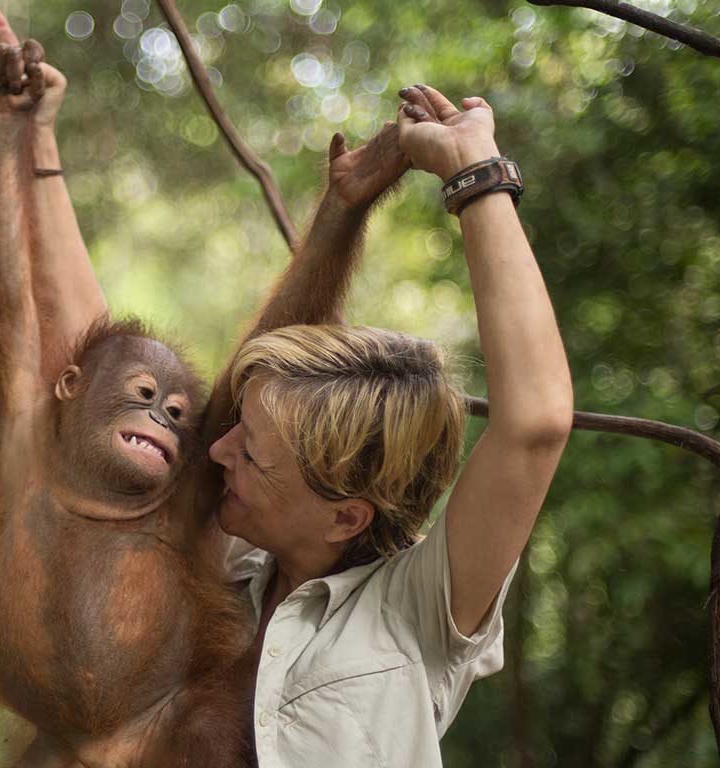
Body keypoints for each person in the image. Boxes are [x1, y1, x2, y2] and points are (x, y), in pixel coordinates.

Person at [206, 85, 573, 766]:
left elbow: (536, 423)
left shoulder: (417, 611)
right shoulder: (234, 568)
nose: (217, 447)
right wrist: (343, 213)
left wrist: (476, 169)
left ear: (346, 517)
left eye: (251, 456)